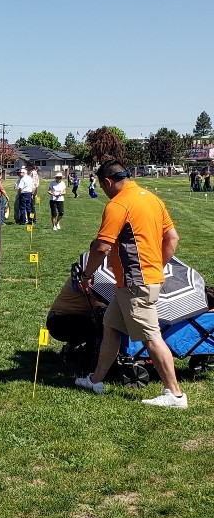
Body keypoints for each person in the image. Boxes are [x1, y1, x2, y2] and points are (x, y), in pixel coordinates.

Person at [75, 160, 186, 408]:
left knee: (150, 336)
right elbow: (172, 237)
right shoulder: (152, 199)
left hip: (137, 282)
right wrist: (157, 265)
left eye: (103, 188)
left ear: (107, 182)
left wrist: (87, 275)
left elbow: (102, 246)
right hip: (135, 282)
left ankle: (175, 394)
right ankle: (96, 380)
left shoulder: (118, 204)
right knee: (112, 327)